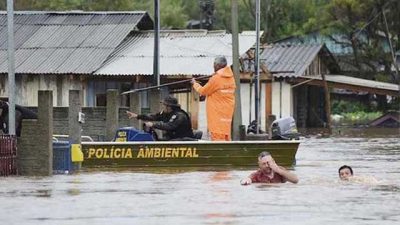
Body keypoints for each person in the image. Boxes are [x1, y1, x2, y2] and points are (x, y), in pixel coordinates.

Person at [191, 56, 236, 141]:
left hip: (217, 114)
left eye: (214, 65)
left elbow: (203, 91)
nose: (213, 67)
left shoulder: (216, 78)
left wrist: (194, 83)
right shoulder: (231, 78)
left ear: (218, 65)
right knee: (226, 137)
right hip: (227, 115)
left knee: (217, 139)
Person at [126, 96, 194, 141]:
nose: (162, 107)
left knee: (165, 143)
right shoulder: (166, 113)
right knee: (158, 141)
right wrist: (137, 116)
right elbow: (154, 116)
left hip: (183, 139)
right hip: (172, 138)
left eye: (163, 105)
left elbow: (169, 126)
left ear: (169, 106)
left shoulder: (179, 115)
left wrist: (153, 125)